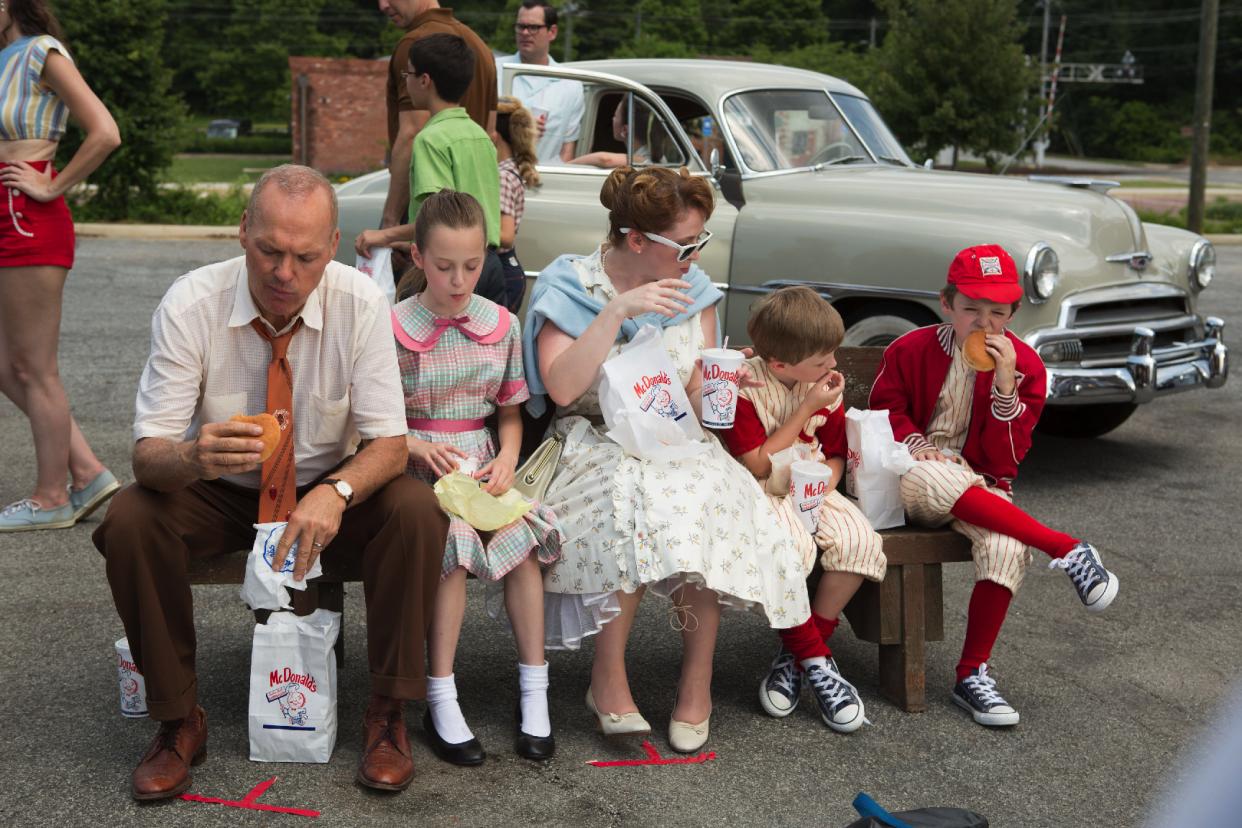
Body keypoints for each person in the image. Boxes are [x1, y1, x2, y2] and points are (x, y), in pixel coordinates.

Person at [92, 165, 449, 799]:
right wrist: (194, 457)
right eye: (269, 250)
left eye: (306, 256)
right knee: (129, 517)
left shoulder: (360, 300)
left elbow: (390, 444)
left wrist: (336, 492)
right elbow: (148, 456)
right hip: (222, 489)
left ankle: (388, 712)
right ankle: (178, 721)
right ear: (241, 232)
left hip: (327, 489)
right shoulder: (190, 302)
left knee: (416, 510)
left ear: (333, 245)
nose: (284, 273)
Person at [522, 165, 812, 754]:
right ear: (636, 240)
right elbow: (559, 389)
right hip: (592, 440)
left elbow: (694, 395)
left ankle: (696, 682)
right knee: (632, 498)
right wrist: (617, 312)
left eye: (702, 240)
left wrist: (715, 386)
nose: (697, 254)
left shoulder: (695, 290)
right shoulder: (571, 286)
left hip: (677, 439)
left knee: (701, 499)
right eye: (687, 244)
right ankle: (607, 682)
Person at [869, 244, 1120, 728]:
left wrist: (1006, 386)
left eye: (997, 313)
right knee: (934, 472)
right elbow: (884, 413)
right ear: (947, 303)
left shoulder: (1026, 366)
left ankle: (971, 675)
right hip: (911, 479)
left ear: (1013, 312)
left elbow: (1005, 460)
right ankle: (1066, 547)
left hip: (982, 489)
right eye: (971, 310)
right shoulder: (911, 348)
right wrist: (917, 442)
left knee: (1006, 546)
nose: (984, 324)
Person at [392, 189, 563, 765]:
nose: (459, 280)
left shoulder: (503, 324)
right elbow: (375, 421)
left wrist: (509, 457)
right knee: (456, 547)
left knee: (522, 542)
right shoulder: (393, 326)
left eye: (472, 266)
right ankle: (440, 694)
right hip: (417, 465)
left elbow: (509, 413)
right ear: (418, 258)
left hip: (482, 461)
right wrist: (415, 445)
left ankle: (534, 691)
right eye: (444, 267)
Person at [718, 286, 885, 733]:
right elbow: (756, 462)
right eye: (821, 360)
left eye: (832, 355)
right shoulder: (745, 388)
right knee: (786, 549)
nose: (832, 366)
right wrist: (808, 406)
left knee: (858, 541)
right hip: (759, 490)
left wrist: (825, 484)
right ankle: (818, 664)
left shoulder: (822, 382)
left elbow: (832, 453)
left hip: (811, 484)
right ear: (779, 365)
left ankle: (796, 658)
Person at [0, 0, 122, 531]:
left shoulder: (39, 53)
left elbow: (105, 131)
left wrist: (51, 184)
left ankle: (52, 497)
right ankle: (87, 470)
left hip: (27, 216)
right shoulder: (5, 57)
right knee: (8, 365)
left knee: (34, 368)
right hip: (6, 215)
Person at [355, 33, 505, 307]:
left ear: (424, 80)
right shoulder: (481, 135)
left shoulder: (429, 139)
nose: (405, 80)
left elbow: (437, 222)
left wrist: (383, 235)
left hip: (450, 271)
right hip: (487, 265)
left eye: (408, 73)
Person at [379, 0, 496, 242]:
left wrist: (390, 224)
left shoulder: (416, 45)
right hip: (480, 245)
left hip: (435, 239)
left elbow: (412, 131)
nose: (382, 5)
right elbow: (491, 133)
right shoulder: (480, 48)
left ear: (424, 80)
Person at [494, 0, 584, 164]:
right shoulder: (494, 71)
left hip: (544, 184)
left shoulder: (571, 84)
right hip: (497, 179)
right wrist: (516, 126)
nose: (525, 33)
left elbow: (567, 151)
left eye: (533, 27)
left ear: (552, 32)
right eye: (521, 26)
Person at [495, 95, 540, 312]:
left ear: (494, 136)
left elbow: (505, 236)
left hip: (503, 272)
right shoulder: (510, 169)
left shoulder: (502, 176)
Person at [568, 96, 654, 169]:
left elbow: (605, 159)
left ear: (624, 129)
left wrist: (566, 166)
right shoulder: (647, 153)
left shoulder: (645, 158)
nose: (613, 119)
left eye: (615, 116)